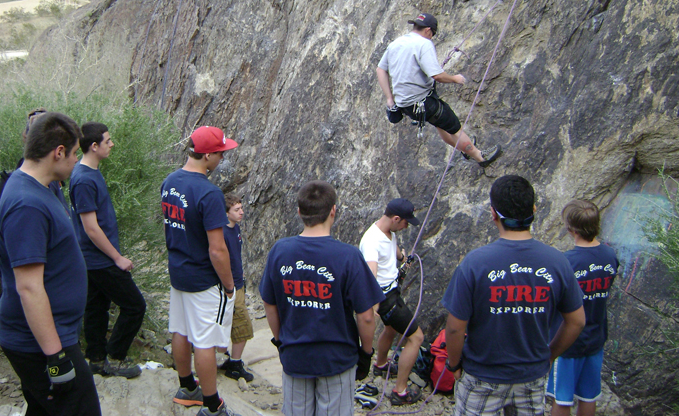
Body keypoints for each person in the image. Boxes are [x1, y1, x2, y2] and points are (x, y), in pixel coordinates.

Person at [442, 175, 586, 416]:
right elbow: (577, 321)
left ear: (493, 214)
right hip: (532, 376)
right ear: (534, 210)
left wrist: (454, 364)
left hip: (483, 375)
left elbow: (456, 328)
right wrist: (548, 356)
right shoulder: (557, 262)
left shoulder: (475, 263)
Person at [0, 112, 102, 415]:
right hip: (41, 342)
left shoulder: (40, 190)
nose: (76, 161)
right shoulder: (25, 203)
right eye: (73, 154)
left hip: (50, 335)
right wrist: (55, 357)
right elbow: (29, 287)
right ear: (58, 152)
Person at [259, 180, 384, 416]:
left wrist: (280, 340)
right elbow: (366, 316)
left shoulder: (279, 251)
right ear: (333, 211)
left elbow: (269, 303)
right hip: (336, 358)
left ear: (299, 212)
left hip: (295, 356)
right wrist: (366, 353)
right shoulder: (348, 256)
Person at [162, 126, 239, 416]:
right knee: (205, 342)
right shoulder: (209, 193)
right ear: (207, 155)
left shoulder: (169, 182)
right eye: (220, 153)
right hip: (203, 278)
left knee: (180, 330)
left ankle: (187, 388)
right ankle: (212, 405)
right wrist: (229, 284)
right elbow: (217, 249)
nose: (222, 158)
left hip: (178, 271)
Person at [69, 122, 146, 379]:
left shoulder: (90, 172)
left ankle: (96, 359)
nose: (111, 144)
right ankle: (115, 357)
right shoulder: (82, 179)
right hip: (99, 260)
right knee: (135, 306)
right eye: (107, 140)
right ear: (94, 146)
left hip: (93, 259)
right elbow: (91, 228)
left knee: (96, 308)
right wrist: (117, 257)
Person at [376, 13, 502, 168]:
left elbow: (380, 69)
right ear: (428, 30)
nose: (431, 37)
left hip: (406, 105)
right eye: (432, 34)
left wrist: (389, 99)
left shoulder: (396, 44)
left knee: (440, 124)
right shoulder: (424, 43)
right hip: (423, 101)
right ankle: (480, 156)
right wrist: (455, 78)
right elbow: (437, 76)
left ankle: (463, 146)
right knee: (455, 128)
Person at [547, 200, 619, 416]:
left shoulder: (566, 262)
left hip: (567, 342)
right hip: (596, 337)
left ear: (571, 229)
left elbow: (553, 299)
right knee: (589, 396)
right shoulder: (610, 255)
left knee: (562, 398)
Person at [359, 198, 425, 405]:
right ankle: (400, 391)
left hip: (392, 292)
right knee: (416, 338)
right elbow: (371, 276)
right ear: (396, 218)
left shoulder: (389, 232)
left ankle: (380, 365)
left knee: (391, 329)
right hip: (386, 298)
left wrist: (403, 258)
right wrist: (375, 308)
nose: (407, 226)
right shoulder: (371, 241)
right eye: (406, 222)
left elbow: (393, 251)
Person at [219, 193, 255, 382]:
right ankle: (234, 363)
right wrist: (230, 285)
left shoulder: (236, 229)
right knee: (242, 325)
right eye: (236, 210)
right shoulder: (222, 233)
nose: (241, 212)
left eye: (241, 208)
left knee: (232, 323)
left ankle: (229, 359)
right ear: (226, 213)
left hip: (237, 283)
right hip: (230, 286)